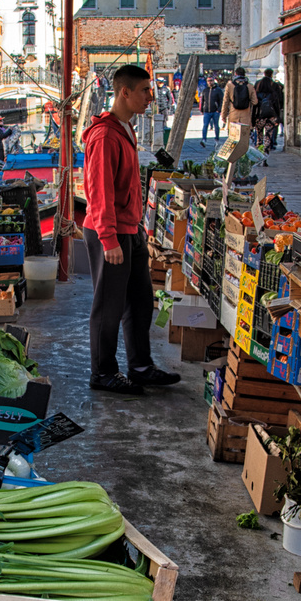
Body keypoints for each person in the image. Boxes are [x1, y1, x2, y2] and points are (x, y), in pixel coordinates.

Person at [81, 64, 181, 394]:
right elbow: (99, 192)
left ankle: (140, 366)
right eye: (145, 91)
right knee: (108, 306)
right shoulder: (105, 134)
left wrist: (138, 229)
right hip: (108, 232)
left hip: (129, 229)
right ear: (125, 92)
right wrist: (109, 238)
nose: (151, 97)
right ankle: (103, 373)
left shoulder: (125, 128)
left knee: (140, 300)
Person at [252, 69, 284, 155]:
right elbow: (277, 105)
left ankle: (258, 152)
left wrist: (252, 119)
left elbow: (254, 106)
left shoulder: (257, 93)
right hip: (270, 117)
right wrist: (277, 117)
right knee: (268, 136)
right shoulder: (274, 91)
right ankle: (266, 153)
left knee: (259, 136)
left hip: (259, 117)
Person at [221, 66, 254, 138]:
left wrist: (223, 116)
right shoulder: (250, 86)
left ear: (235, 74)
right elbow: (255, 101)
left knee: (233, 139)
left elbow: (225, 101)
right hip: (246, 118)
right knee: (244, 139)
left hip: (233, 117)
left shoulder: (230, 85)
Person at [198, 76, 223, 145]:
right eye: (208, 81)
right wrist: (202, 109)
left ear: (213, 81)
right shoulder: (205, 90)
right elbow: (202, 100)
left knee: (216, 126)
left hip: (215, 111)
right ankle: (204, 139)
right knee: (205, 125)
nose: (210, 82)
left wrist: (219, 109)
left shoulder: (218, 90)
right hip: (207, 111)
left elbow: (221, 100)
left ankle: (217, 139)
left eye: (211, 80)